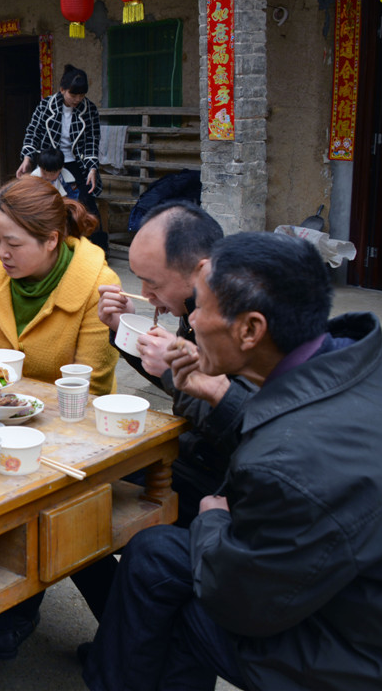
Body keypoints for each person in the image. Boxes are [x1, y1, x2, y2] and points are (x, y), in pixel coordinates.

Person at [82, 232, 382, 691]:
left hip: (360, 656)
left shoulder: (288, 462)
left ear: (250, 330)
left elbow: (238, 603)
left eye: (201, 308)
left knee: (180, 611)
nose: (191, 322)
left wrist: (212, 522)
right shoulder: (374, 360)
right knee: (155, 553)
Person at [96, 201, 250, 524]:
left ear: (201, 270)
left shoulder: (241, 321)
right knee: (91, 478)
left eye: (153, 283)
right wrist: (124, 329)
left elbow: (240, 422)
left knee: (97, 501)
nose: (145, 293)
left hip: (230, 477)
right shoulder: (198, 303)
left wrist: (172, 367)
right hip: (200, 451)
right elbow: (184, 384)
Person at [0, 176, 119, 396]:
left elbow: (90, 387)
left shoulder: (97, 286)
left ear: (51, 240)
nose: (1, 253)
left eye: (14, 244)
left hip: (67, 417)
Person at [17, 64, 106, 249]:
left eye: (81, 95)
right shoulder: (45, 106)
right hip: (51, 161)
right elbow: (33, 132)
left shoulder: (89, 109)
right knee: (42, 202)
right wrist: (27, 158)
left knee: (86, 202)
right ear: (62, 89)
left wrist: (92, 168)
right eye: (73, 95)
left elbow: (91, 140)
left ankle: (98, 249)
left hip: (77, 162)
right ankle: (45, 246)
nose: (77, 99)